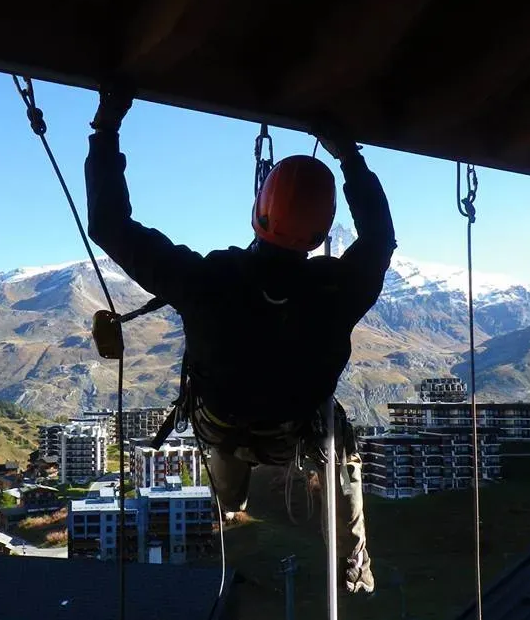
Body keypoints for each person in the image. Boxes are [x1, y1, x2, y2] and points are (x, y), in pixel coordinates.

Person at [84, 87, 396, 593]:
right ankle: (353, 558)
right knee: (341, 442)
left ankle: (232, 503)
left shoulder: (210, 279)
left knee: (228, 483)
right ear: (321, 232)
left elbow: (109, 225)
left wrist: (107, 124)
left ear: (260, 214)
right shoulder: (338, 289)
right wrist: (349, 156)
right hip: (297, 428)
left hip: (221, 424)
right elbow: (380, 239)